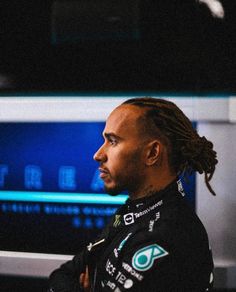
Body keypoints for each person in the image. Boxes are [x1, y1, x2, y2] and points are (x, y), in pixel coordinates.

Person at [48, 97, 218, 292]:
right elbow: (63, 275)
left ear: (152, 153)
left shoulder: (166, 235)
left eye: (112, 141)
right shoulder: (136, 211)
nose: (98, 154)